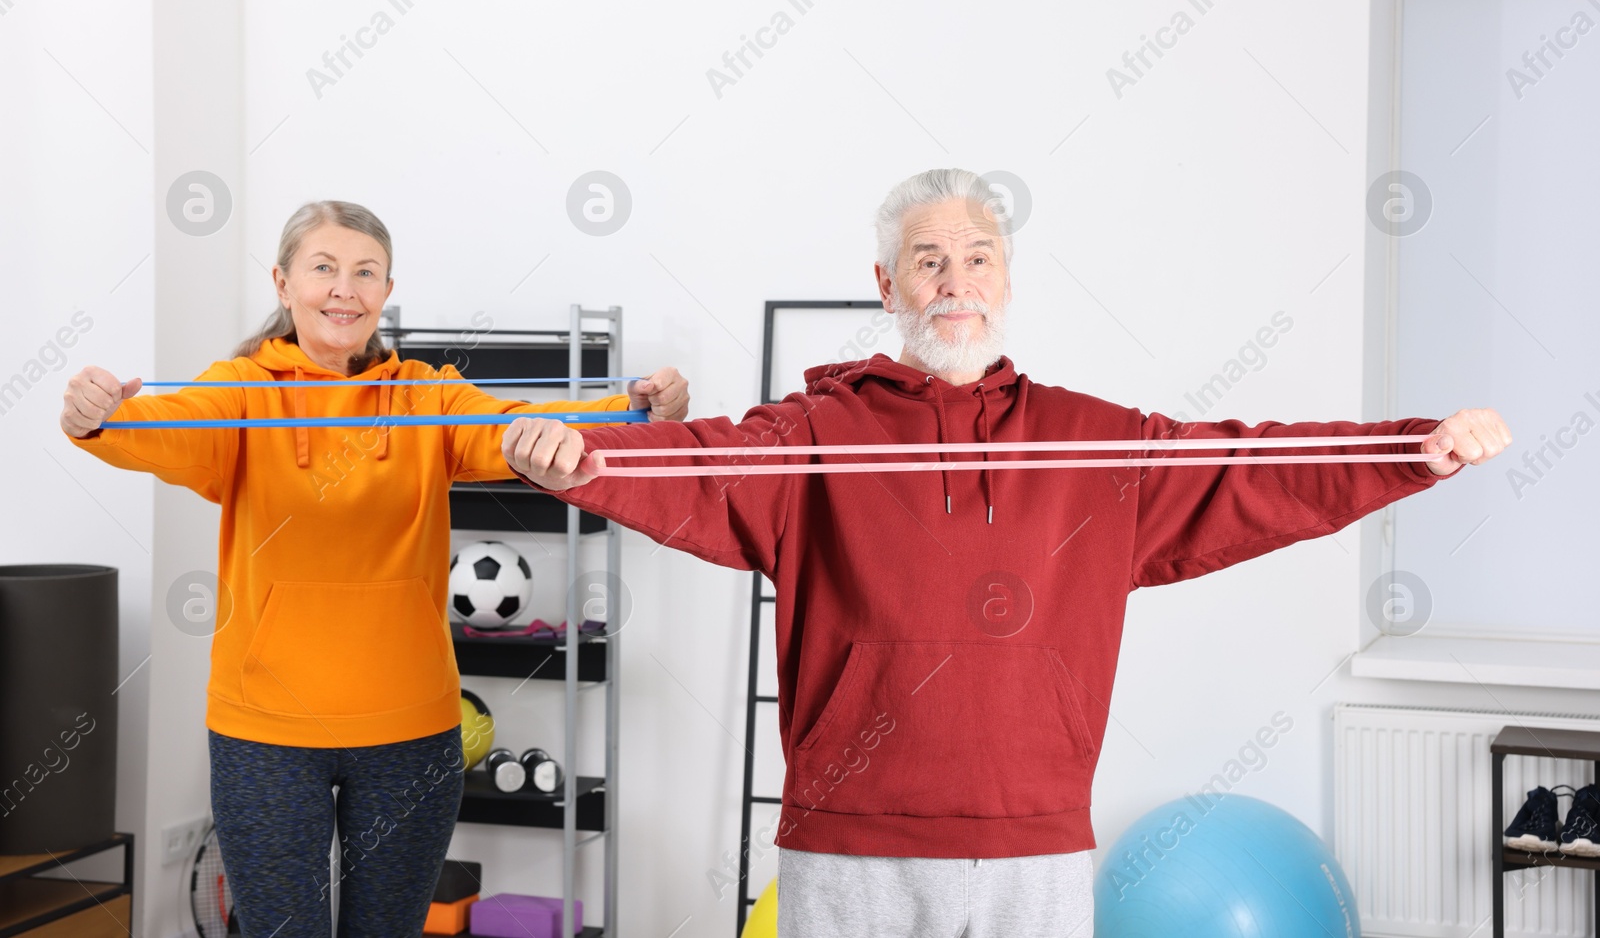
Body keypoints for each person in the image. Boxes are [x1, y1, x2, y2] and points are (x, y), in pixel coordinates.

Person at [501, 168, 1512, 938]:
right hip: (849, 843)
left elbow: (1247, 467)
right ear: (885, 281)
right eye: (929, 257)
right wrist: (579, 458)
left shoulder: (1087, 441)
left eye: (977, 254)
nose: (955, 279)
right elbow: (697, 464)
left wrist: (1407, 454)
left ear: (1008, 278)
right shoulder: (810, 432)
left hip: (1035, 848)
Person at [59, 200, 689, 938]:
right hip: (266, 734)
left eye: (365, 272)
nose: (344, 289)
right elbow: (160, 427)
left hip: (412, 731)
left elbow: (520, 423)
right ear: (283, 281)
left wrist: (637, 411)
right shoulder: (239, 392)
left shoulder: (429, 394)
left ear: (387, 290)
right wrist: (97, 417)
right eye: (323, 268)